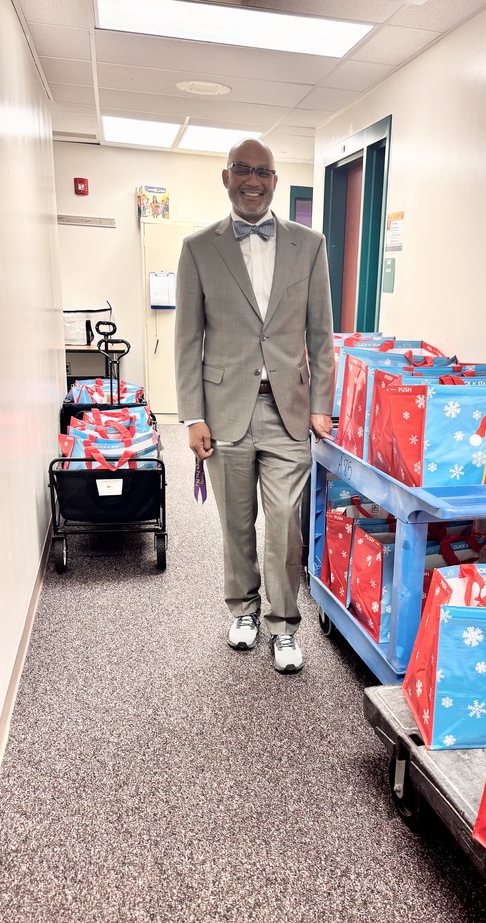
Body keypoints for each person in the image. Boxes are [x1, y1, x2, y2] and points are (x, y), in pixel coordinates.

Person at [174, 138, 335, 674]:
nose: (252, 181)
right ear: (226, 177)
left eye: (262, 172)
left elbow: (322, 334)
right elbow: (187, 339)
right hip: (224, 409)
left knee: (285, 522)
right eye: (242, 170)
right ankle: (242, 610)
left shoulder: (309, 245)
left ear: (274, 181)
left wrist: (322, 403)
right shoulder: (199, 248)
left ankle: (284, 625)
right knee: (237, 522)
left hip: (289, 409)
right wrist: (193, 415)